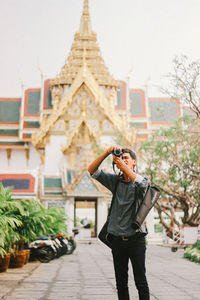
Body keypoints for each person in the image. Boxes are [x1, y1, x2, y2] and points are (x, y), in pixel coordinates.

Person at [88, 146, 150, 300]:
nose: (123, 160)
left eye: (126, 158)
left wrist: (122, 166)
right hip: (117, 240)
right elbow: (91, 170)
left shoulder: (142, 181)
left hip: (136, 240)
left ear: (134, 162)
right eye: (121, 158)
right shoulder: (115, 181)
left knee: (140, 282)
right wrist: (107, 152)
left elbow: (143, 184)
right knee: (121, 283)